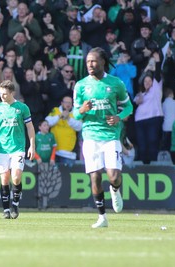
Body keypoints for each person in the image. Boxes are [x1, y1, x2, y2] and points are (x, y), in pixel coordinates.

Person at [73, 47, 133, 228]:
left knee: (114, 176)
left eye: (93, 61)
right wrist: (82, 110)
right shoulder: (81, 85)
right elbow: (76, 114)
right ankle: (102, 217)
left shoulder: (116, 83)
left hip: (110, 136)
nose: (90, 65)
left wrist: (118, 117)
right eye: (88, 62)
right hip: (90, 135)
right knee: (95, 177)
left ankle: (115, 190)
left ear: (103, 62)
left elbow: (128, 107)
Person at [0, 80, 35, 219]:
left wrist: (32, 145)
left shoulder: (22, 108)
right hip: (2, 148)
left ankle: (15, 204)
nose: (2, 96)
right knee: (4, 179)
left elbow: (30, 127)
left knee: (16, 177)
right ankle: (6, 210)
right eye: (1, 94)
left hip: (18, 148)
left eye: (5, 94)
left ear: (12, 92)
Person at [45, 95, 82, 167]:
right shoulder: (55, 110)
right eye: (66, 102)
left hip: (68, 153)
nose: (68, 104)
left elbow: (79, 127)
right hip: (53, 151)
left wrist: (68, 118)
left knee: (66, 176)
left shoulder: (75, 113)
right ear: (62, 103)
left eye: (70, 103)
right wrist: (59, 116)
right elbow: (47, 122)